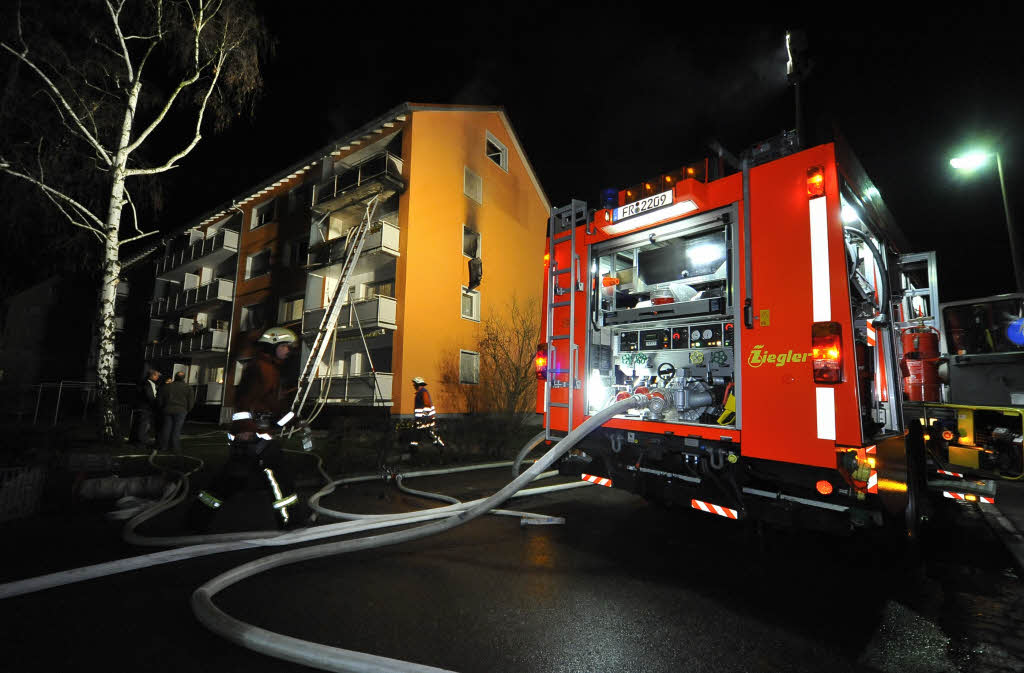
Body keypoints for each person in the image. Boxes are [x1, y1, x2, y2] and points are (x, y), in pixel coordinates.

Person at [189, 326, 301, 530]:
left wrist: (293, 420)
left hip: (254, 436)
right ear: (273, 345)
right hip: (253, 437)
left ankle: (196, 518)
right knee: (278, 477)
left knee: (230, 480)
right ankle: (290, 519)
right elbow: (244, 401)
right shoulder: (261, 368)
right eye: (285, 346)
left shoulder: (270, 369)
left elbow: (270, 406)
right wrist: (246, 429)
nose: (288, 351)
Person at [158, 371, 194, 454]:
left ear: (175, 376)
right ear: (184, 378)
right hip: (181, 410)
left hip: (167, 409)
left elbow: (160, 399)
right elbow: (191, 401)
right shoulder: (188, 387)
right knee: (176, 429)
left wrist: (162, 408)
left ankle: (164, 447)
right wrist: (187, 409)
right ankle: (174, 448)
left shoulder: (167, 386)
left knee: (166, 428)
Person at [410, 376, 445, 456]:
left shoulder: (423, 392)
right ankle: (414, 451)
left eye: (414, 384)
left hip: (425, 419)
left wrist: (424, 418)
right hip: (424, 419)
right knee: (424, 434)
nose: (414, 386)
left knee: (420, 434)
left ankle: (440, 448)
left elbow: (427, 405)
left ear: (418, 384)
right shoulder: (421, 392)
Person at [132, 368, 161, 448]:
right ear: (153, 375)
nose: (158, 377)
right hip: (146, 407)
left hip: (143, 407)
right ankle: (141, 441)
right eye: (157, 375)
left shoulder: (145, 383)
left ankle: (138, 440)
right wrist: (155, 403)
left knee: (141, 424)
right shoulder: (148, 384)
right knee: (143, 424)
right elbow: (150, 396)